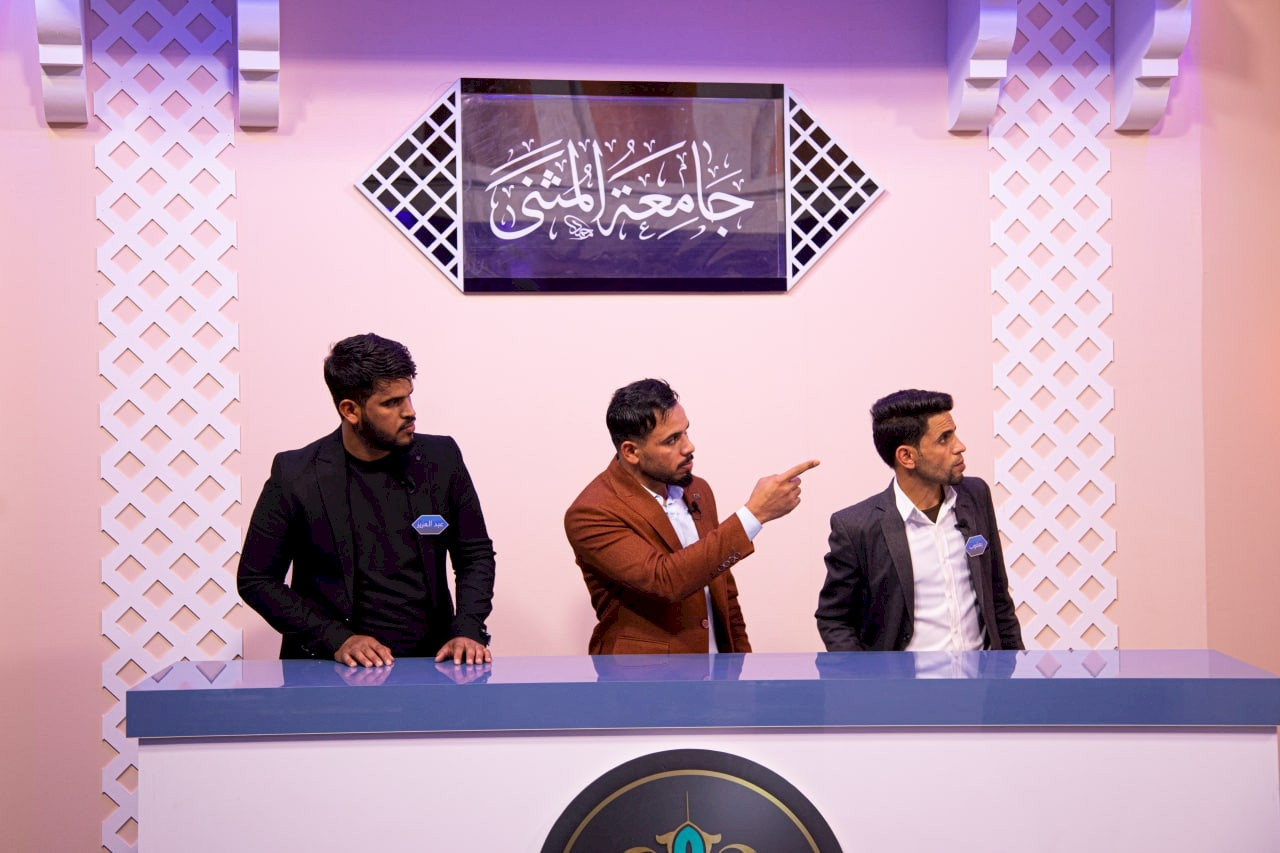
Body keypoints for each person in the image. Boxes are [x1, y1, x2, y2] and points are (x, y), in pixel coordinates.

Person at [237, 333, 496, 668]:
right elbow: (256, 579)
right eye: (391, 403)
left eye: (409, 396)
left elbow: (474, 554)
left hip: (430, 665)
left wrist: (468, 629)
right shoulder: (295, 474)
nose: (410, 412)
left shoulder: (442, 458)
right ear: (350, 410)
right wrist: (335, 639)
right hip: (329, 671)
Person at [564, 378, 818, 655]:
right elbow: (664, 580)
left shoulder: (697, 490)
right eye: (672, 440)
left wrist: (740, 663)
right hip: (645, 678)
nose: (689, 447)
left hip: (716, 672)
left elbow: (724, 590)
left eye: (686, 432)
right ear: (631, 452)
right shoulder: (591, 512)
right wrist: (754, 514)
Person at [815, 389, 1023, 652]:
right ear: (907, 456)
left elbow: (998, 596)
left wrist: (1014, 667)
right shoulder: (856, 527)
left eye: (954, 433)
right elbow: (834, 619)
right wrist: (864, 675)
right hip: (906, 679)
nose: (959, 446)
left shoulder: (975, 496)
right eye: (944, 439)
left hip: (981, 675)